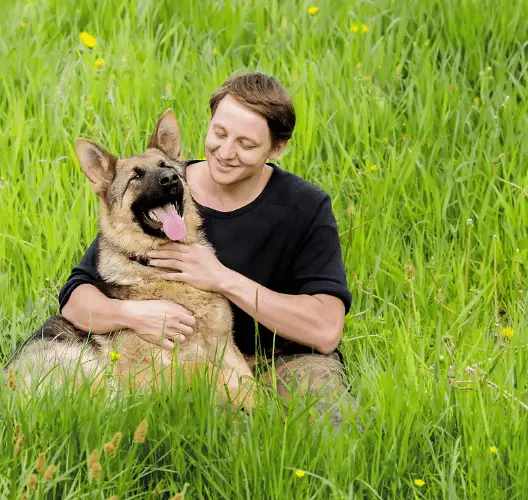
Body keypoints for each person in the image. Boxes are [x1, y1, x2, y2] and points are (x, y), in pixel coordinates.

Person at [58, 72, 357, 427]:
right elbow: (76, 299)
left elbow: (325, 331)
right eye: (219, 133)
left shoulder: (305, 208)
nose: (226, 153)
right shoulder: (165, 195)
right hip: (192, 359)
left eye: (246, 145)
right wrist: (135, 316)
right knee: (215, 434)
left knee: (334, 429)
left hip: (283, 357)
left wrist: (222, 278)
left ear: (277, 149)